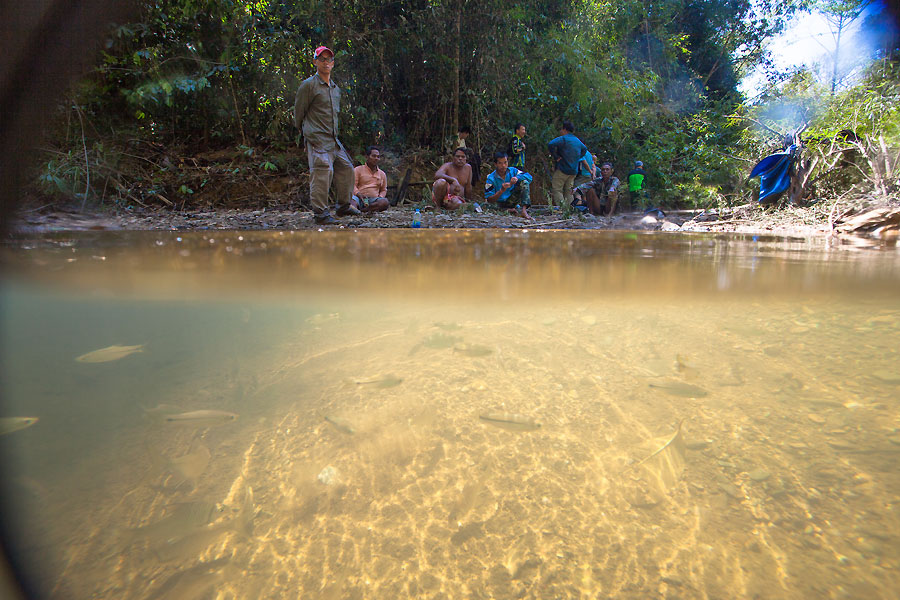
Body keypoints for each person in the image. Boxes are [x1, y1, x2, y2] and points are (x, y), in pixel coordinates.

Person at [293, 46, 360, 225]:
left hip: (332, 139)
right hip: (317, 138)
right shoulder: (309, 85)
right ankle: (321, 214)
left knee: (346, 168)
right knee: (323, 172)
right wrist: (303, 131)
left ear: (333, 63)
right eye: (321, 59)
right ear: (315, 61)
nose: (325, 62)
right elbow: (299, 112)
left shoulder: (335, 88)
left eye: (328, 59)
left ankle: (343, 206)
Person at [547, 121, 588, 208]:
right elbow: (584, 149)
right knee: (568, 190)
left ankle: (562, 208)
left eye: (561, 129)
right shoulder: (577, 140)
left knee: (557, 188)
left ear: (564, 129)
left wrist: (556, 156)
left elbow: (550, 144)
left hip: (563, 168)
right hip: (573, 171)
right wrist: (577, 157)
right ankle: (570, 208)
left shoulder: (564, 139)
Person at [484, 152, 532, 218]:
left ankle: (524, 210)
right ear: (495, 164)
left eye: (505, 162)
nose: (503, 165)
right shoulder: (491, 178)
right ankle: (506, 210)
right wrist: (501, 191)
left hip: (511, 200)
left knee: (524, 182)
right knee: (486, 206)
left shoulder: (513, 171)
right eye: (500, 163)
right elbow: (489, 199)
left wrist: (517, 178)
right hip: (498, 203)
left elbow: (529, 177)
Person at [352, 146, 390, 213]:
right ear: (367, 157)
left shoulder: (382, 174)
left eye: (378, 157)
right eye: (373, 156)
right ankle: (356, 209)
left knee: (384, 202)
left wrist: (380, 197)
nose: (376, 159)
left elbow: (384, 189)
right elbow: (353, 185)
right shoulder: (358, 170)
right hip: (358, 198)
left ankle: (363, 210)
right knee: (350, 201)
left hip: (374, 200)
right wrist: (359, 194)